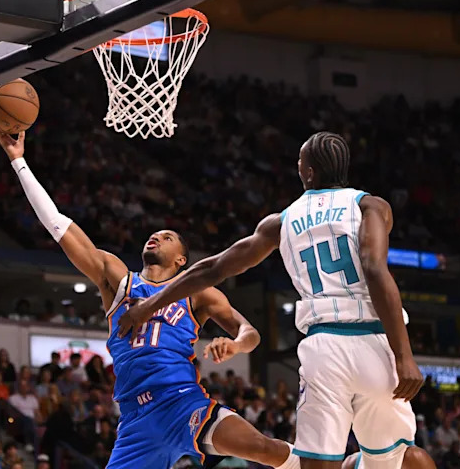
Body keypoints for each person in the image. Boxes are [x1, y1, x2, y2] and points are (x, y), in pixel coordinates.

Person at [0, 122, 299, 469]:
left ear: (182, 259)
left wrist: (236, 345)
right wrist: (19, 162)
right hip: (136, 419)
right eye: (153, 235)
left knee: (262, 448)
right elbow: (58, 225)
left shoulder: (199, 292)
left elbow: (250, 333)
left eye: (167, 237)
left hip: (183, 402)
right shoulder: (119, 281)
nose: (156, 237)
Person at [119, 131, 436, 469]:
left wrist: (148, 307)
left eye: (300, 163)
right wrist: (404, 356)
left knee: (317, 463)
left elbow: (212, 268)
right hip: (375, 340)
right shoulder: (370, 205)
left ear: (309, 172)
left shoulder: (282, 222)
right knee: (406, 459)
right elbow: (375, 269)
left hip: (325, 346)